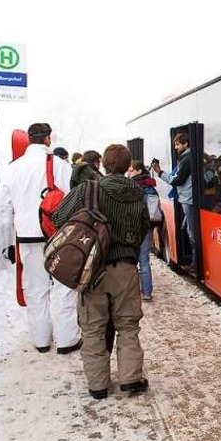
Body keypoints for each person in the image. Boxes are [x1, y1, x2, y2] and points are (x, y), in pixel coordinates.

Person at [53, 144, 151, 400]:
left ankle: (98, 386)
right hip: (126, 269)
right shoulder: (137, 193)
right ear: (128, 166)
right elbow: (143, 229)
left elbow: (59, 217)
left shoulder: (89, 189)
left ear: (104, 165)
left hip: (92, 269)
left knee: (93, 328)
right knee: (128, 325)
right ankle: (130, 379)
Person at [0, 122, 81, 354]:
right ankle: (67, 340)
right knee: (63, 287)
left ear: (29, 139)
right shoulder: (60, 165)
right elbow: (73, 199)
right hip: (58, 234)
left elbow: (1, 205)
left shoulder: (13, 168)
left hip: (27, 237)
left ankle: (41, 339)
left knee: (35, 289)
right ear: (48, 139)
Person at [152, 133, 196, 265]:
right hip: (187, 197)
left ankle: (195, 261)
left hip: (188, 198)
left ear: (186, 143)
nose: (176, 148)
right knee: (190, 229)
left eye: (177, 144)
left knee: (192, 231)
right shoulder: (187, 157)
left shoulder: (187, 159)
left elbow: (176, 180)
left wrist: (160, 172)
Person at [128, 160, 159, 300]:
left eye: (131, 170)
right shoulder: (150, 186)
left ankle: (134, 291)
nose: (129, 172)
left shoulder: (131, 187)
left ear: (139, 170)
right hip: (146, 227)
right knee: (145, 260)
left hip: (133, 228)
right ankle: (147, 292)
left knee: (132, 261)